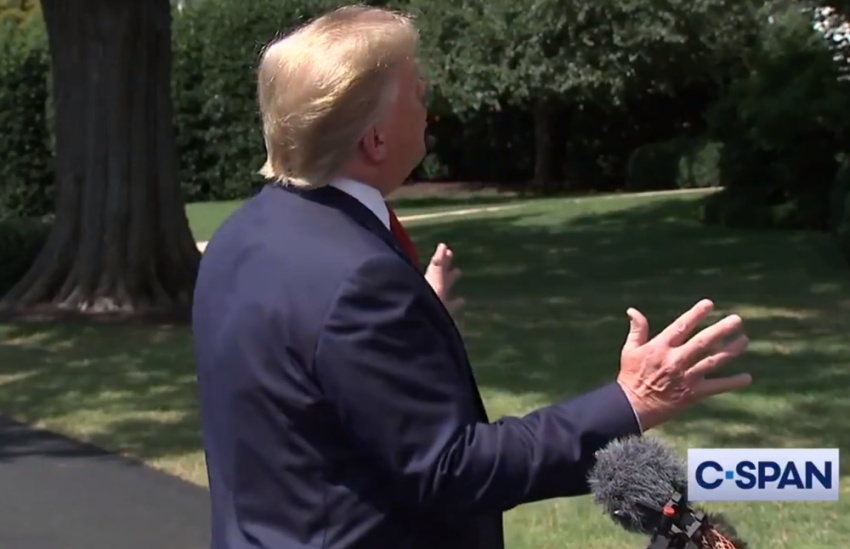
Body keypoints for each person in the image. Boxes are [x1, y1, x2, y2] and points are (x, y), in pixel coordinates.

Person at [191, 6, 752, 549]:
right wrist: (633, 401)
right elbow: (450, 471)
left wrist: (406, 326)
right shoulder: (357, 280)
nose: (429, 106)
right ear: (376, 139)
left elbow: (306, 379)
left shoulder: (244, 235)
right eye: (417, 93)